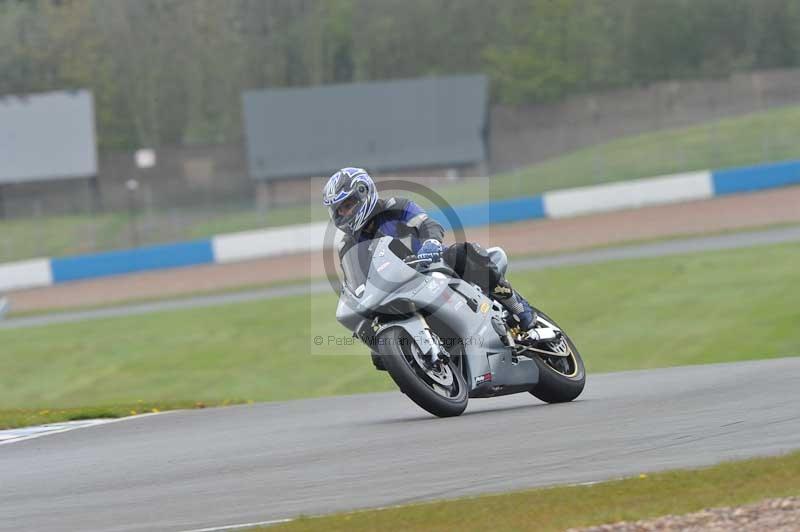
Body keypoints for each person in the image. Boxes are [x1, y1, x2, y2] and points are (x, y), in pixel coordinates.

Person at [323, 167, 536, 332]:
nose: (345, 212)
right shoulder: (346, 245)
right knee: (379, 355)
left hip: (433, 264)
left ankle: (518, 308)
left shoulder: (396, 206)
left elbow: (428, 224)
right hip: (396, 289)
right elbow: (356, 282)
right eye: (339, 209)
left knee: (466, 253)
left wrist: (431, 243)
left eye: (348, 204)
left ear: (363, 193)